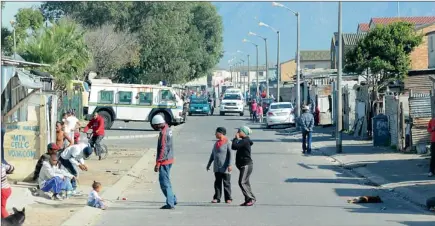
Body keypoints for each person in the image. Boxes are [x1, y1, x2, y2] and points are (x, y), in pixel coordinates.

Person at [152, 115, 177, 210]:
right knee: (167, 181)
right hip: (170, 159)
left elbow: (163, 149)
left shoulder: (163, 133)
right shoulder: (168, 129)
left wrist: (158, 163)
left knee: (164, 183)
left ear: (158, 124)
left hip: (164, 161)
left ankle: (170, 203)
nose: (154, 128)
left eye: (155, 126)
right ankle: (173, 199)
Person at [206, 127, 233, 204]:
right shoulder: (216, 143)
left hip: (225, 167)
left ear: (220, 133)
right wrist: (209, 164)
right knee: (217, 183)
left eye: (216, 133)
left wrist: (230, 165)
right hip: (217, 167)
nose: (215, 134)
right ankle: (217, 198)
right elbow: (212, 154)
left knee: (226, 183)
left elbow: (231, 155)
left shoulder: (228, 142)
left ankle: (228, 198)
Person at [231, 126, 256, 206]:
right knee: (245, 182)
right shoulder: (244, 141)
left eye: (239, 131)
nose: (237, 133)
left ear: (243, 132)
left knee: (242, 182)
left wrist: (235, 138)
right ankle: (247, 199)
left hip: (246, 165)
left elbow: (234, 146)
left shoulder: (245, 141)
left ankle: (251, 198)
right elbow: (234, 147)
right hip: (242, 165)